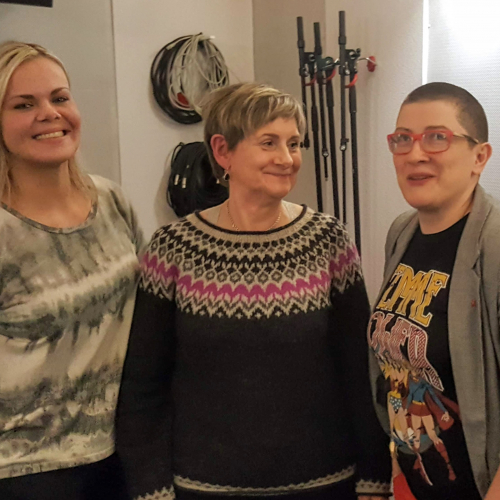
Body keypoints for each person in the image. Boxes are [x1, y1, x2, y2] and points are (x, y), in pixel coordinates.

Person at [116, 82, 391, 500]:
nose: (287, 158)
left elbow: (359, 371)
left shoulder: (328, 240)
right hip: (203, 488)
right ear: (223, 151)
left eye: (294, 144)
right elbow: (143, 385)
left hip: (324, 483)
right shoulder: (173, 248)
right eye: (268, 143)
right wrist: (150, 489)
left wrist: (374, 479)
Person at [0, 41, 143, 499]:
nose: (50, 113)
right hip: (27, 472)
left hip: (120, 456)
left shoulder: (112, 201)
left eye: (59, 98)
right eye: (24, 105)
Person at [367, 82, 500, 499]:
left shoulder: (494, 246)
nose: (415, 153)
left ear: (479, 157)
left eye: (437, 137)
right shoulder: (401, 232)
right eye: (402, 139)